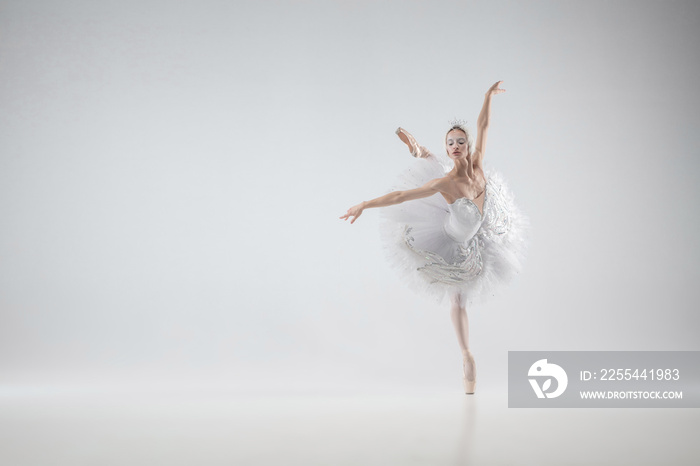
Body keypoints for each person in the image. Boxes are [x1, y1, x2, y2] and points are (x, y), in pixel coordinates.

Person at [340, 81, 528, 394]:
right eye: (450, 143)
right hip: (449, 237)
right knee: (457, 297)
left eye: (459, 142)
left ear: (467, 146)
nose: (455, 146)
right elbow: (402, 196)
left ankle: (420, 151)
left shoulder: (478, 166)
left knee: (464, 288)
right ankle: (466, 355)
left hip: (478, 235)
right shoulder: (448, 183)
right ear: (448, 148)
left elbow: (483, 125)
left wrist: (486, 97)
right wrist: (365, 204)